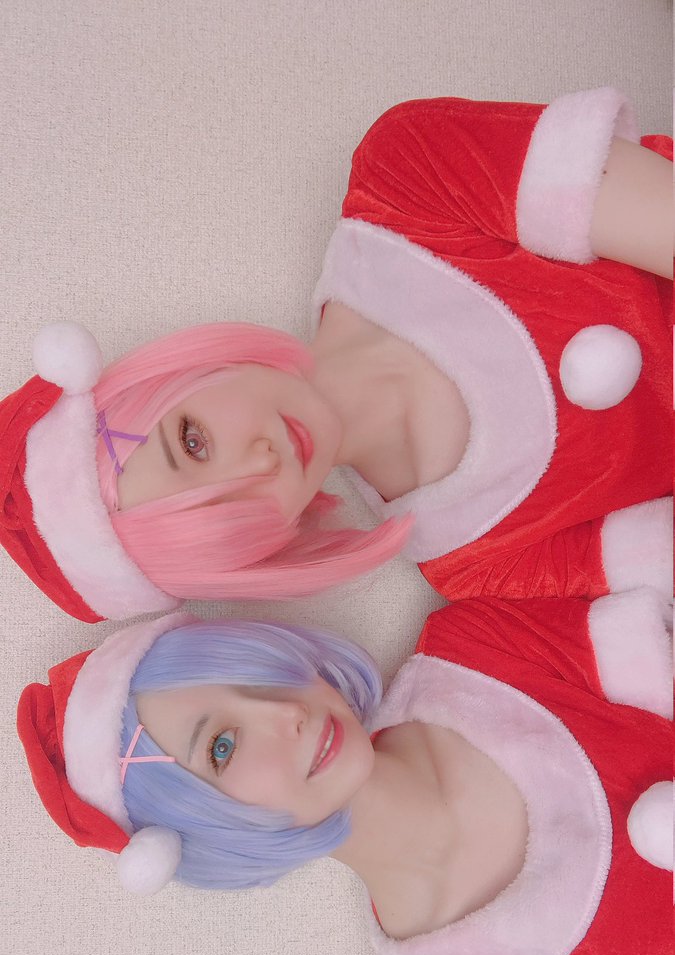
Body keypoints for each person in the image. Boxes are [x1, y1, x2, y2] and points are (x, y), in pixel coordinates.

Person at [17, 592, 672, 955]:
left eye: (257, 677)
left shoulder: (476, 646)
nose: (286, 713)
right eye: (222, 745)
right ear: (204, 828)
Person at [0, 86, 671, 619]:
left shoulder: (404, 186)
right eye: (231, 514)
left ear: (177, 373)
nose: (260, 463)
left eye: (194, 441)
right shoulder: (472, 560)